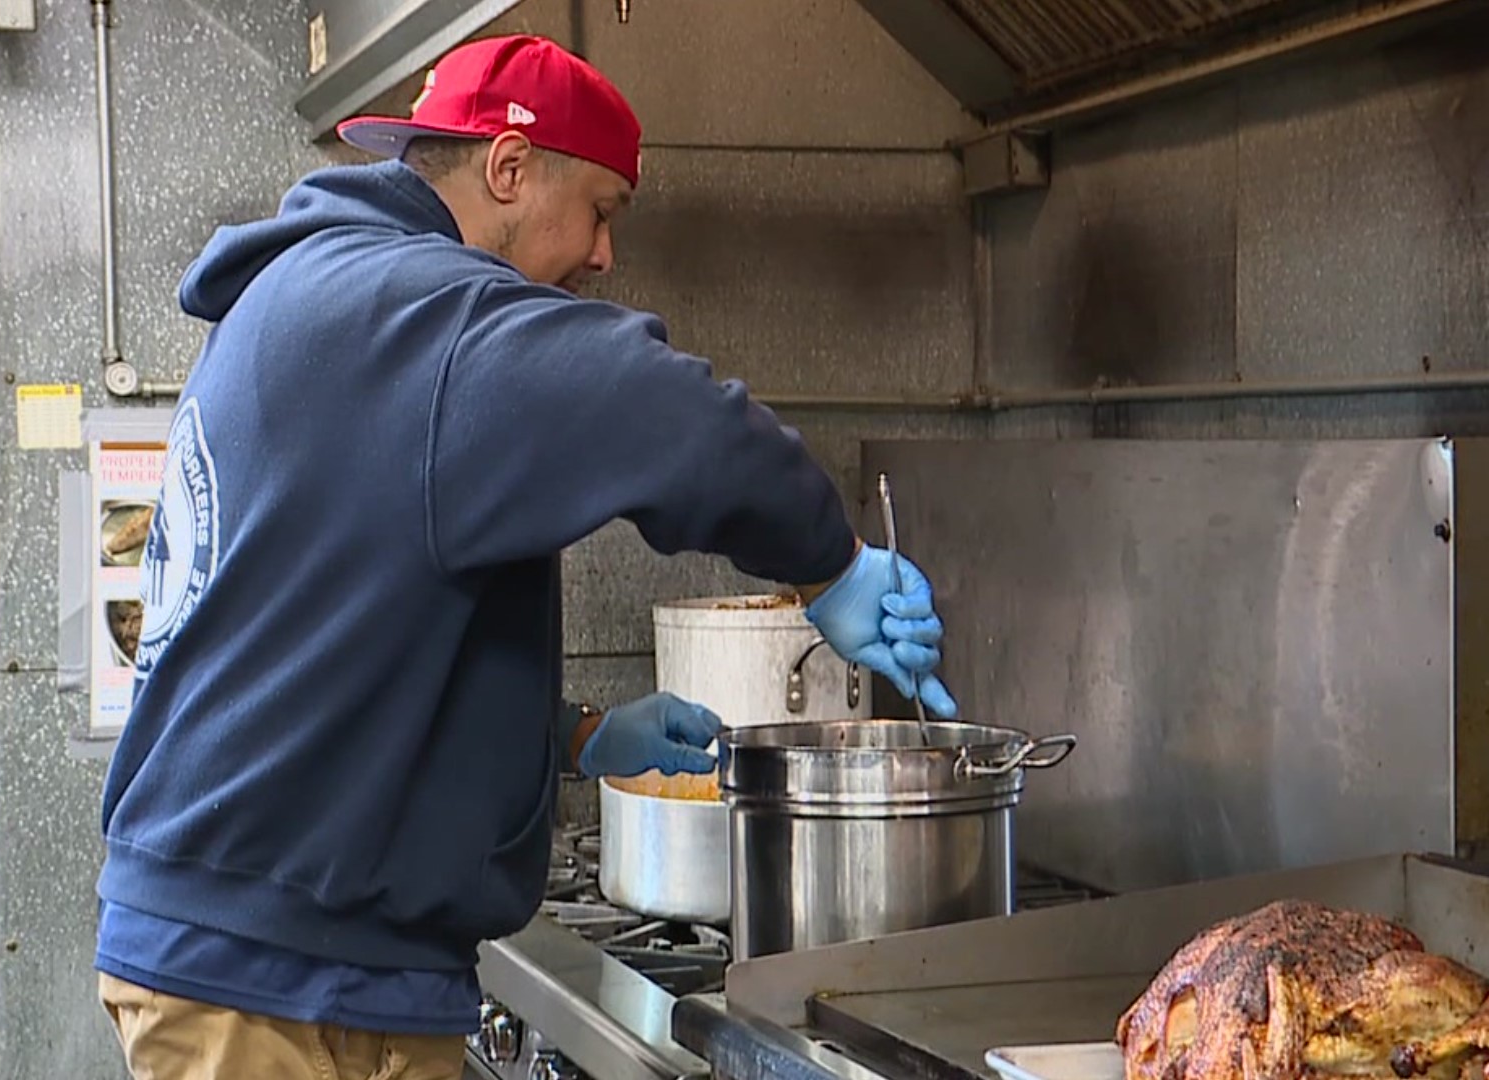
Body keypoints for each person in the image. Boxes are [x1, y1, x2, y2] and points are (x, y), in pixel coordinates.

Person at [93, 32, 959, 1080]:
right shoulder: (412, 311)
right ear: (508, 167)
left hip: (274, 944)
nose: (603, 255)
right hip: (278, 973)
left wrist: (567, 736)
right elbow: (675, 418)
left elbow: (323, 629)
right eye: (601, 210)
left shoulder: (326, 297)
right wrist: (833, 566)